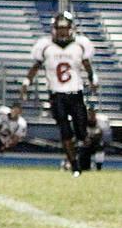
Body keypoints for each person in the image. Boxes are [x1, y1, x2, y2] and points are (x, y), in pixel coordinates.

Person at [24, 12, 97, 174]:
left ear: (71, 29)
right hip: (56, 95)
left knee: (82, 133)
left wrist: (93, 79)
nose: (62, 32)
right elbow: (35, 66)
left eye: (65, 28)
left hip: (75, 93)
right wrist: (26, 83)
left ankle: (87, 156)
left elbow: (87, 65)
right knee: (65, 132)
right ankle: (74, 166)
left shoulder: (80, 45)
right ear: (54, 29)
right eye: (60, 28)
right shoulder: (45, 46)